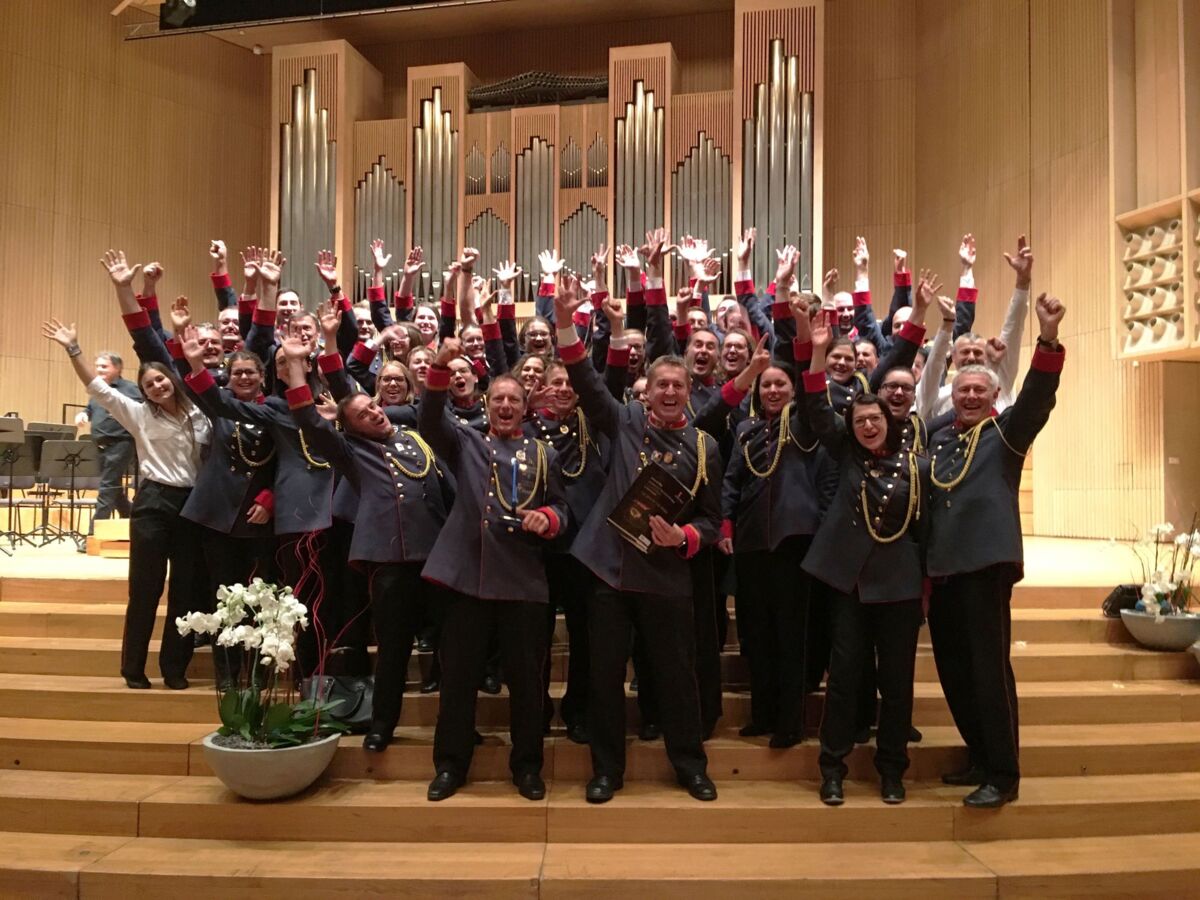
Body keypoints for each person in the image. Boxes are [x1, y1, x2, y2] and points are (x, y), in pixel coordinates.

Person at [555, 273, 723, 805]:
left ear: (689, 392)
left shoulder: (705, 447)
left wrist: (684, 536)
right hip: (609, 572)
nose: (669, 392)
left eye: (678, 386)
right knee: (604, 678)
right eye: (661, 385)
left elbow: (713, 521)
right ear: (646, 391)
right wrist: (565, 323)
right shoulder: (624, 421)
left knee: (677, 677)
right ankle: (606, 771)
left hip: (667, 576)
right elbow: (585, 380)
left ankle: (690, 766)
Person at [926, 292, 1067, 809]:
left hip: (985, 568)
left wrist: (1047, 338)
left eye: (978, 390)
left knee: (988, 670)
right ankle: (979, 755)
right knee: (954, 670)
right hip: (942, 570)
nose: (968, 396)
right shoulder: (938, 439)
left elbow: (1036, 399)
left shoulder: (1005, 436)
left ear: (993, 395)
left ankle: (1003, 773)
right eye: (962, 390)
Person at [280, 330, 451, 752]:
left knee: (451, 650)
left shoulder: (415, 439)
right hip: (390, 563)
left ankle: (455, 726)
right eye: (362, 414)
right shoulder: (353, 454)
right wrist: (298, 366)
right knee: (393, 650)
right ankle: (382, 726)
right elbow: (309, 422)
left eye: (373, 406)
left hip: (436, 560)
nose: (374, 412)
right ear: (350, 429)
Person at [418, 338, 569, 802]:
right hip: (469, 579)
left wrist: (549, 518)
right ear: (487, 404)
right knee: (458, 680)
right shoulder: (466, 441)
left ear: (526, 408)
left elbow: (563, 507)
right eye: (498, 399)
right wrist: (440, 364)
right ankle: (450, 765)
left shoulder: (544, 454)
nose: (505, 406)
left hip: (522, 581)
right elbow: (429, 418)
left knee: (527, 684)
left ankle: (527, 767)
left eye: (513, 400)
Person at [45, 296, 210, 692]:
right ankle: (133, 668)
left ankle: (174, 668)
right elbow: (97, 388)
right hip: (153, 503)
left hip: (191, 506)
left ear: (172, 379)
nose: (156, 386)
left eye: (161, 379)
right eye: (148, 384)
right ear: (144, 392)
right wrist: (74, 349)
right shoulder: (138, 414)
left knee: (185, 591)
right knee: (145, 589)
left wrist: (182, 337)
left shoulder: (200, 412)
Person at [802, 310, 930, 807]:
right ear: (850, 428)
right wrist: (818, 352)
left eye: (875, 419)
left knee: (897, 685)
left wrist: (925, 590)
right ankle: (831, 768)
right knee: (844, 680)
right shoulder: (846, 452)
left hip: (899, 588)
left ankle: (892, 769)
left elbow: (925, 533)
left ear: (889, 421)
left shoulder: (916, 467)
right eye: (859, 421)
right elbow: (816, 405)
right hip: (851, 586)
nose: (869, 425)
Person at [718, 248, 836, 749]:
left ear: (791, 390)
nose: (771, 390)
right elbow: (731, 481)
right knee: (756, 635)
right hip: (750, 545)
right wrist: (726, 525)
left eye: (779, 384)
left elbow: (810, 383)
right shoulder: (746, 429)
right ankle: (762, 714)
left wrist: (799, 324)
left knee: (790, 636)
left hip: (793, 544)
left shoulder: (804, 424)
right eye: (765, 384)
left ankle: (790, 721)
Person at [917, 235, 1033, 420]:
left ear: (987, 356)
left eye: (978, 352)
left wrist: (1022, 283)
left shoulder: (1000, 383)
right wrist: (947, 324)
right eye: (965, 352)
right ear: (953, 357)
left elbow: (1013, 330)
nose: (971, 357)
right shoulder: (940, 397)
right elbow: (934, 366)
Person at [75, 351, 140, 528]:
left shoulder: (131, 389)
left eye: (104, 366)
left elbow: (140, 411)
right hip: (99, 445)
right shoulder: (98, 389)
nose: (99, 370)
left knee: (107, 486)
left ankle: (93, 532)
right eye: (97, 366)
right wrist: (84, 414)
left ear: (118, 368)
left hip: (121, 443)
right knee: (113, 487)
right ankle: (131, 519)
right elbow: (90, 408)